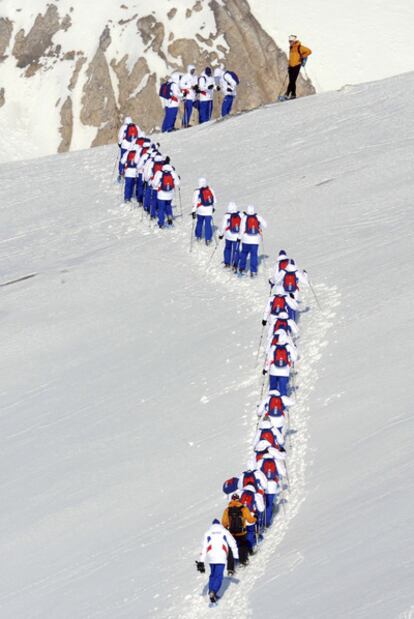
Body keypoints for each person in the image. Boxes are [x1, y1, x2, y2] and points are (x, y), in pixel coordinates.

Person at [196, 518, 239, 605]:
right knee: (219, 576)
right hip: (221, 556)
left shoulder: (207, 532)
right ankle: (213, 592)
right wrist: (235, 556)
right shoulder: (224, 531)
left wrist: (201, 561)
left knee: (213, 574)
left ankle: (211, 591)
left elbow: (204, 547)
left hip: (211, 556)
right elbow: (233, 542)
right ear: (219, 524)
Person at [222, 492, 256, 567]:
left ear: (231, 499)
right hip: (242, 532)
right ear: (239, 499)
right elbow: (250, 520)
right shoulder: (243, 508)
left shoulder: (227, 510)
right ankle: (243, 560)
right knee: (243, 545)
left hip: (232, 533)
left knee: (231, 548)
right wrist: (255, 519)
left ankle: (230, 567)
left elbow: (224, 523)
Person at [237, 206, 267, 277]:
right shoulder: (258, 217)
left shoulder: (244, 218)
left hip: (246, 239)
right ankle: (253, 271)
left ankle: (242, 269)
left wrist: (239, 238)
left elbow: (241, 229)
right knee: (254, 255)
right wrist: (259, 226)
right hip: (255, 240)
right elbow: (265, 225)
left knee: (244, 253)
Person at [152, 160, 180, 228]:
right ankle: (169, 216)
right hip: (170, 194)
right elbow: (177, 183)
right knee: (168, 205)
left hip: (161, 194)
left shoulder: (159, 173)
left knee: (161, 208)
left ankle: (161, 222)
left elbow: (155, 184)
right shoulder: (173, 173)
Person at [285, 35, 312, 100]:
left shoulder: (299, 47)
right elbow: (290, 57)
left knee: (292, 80)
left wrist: (302, 56)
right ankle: (293, 94)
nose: (289, 42)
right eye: (289, 41)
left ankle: (287, 94)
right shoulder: (291, 47)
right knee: (291, 80)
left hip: (297, 65)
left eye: (290, 41)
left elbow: (309, 51)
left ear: (294, 41)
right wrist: (289, 65)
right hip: (291, 66)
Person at [192, 178, 216, 244]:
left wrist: (193, 211)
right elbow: (215, 200)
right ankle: (208, 239)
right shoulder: (210, 189)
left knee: (199, 223)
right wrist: (213, 207)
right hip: (209, 210)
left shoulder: (197, 191)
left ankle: (198, 236)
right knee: (208, 224)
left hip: (200, 210)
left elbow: (194, 202)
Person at [219, 202, 241, 269]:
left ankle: (227, 263)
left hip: (228, 236)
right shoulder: (240, 215)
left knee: (227, 248)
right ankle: (235, 264)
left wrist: (221, 234)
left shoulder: (226, 216)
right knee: (236, 250)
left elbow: (223, 226)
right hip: (237, 236)